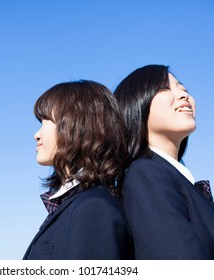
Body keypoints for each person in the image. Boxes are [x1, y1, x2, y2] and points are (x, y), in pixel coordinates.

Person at [114, 64, 214, 260]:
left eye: (184, 89)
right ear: (135, 104)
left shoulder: (174, 179)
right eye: (165, 88)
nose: (184, 95)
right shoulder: (146, 175)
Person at [23, 80, 133, 260]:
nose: (37, 134)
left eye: (46, 121)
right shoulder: (75, 204)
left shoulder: (94, 208)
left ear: (79, 126)